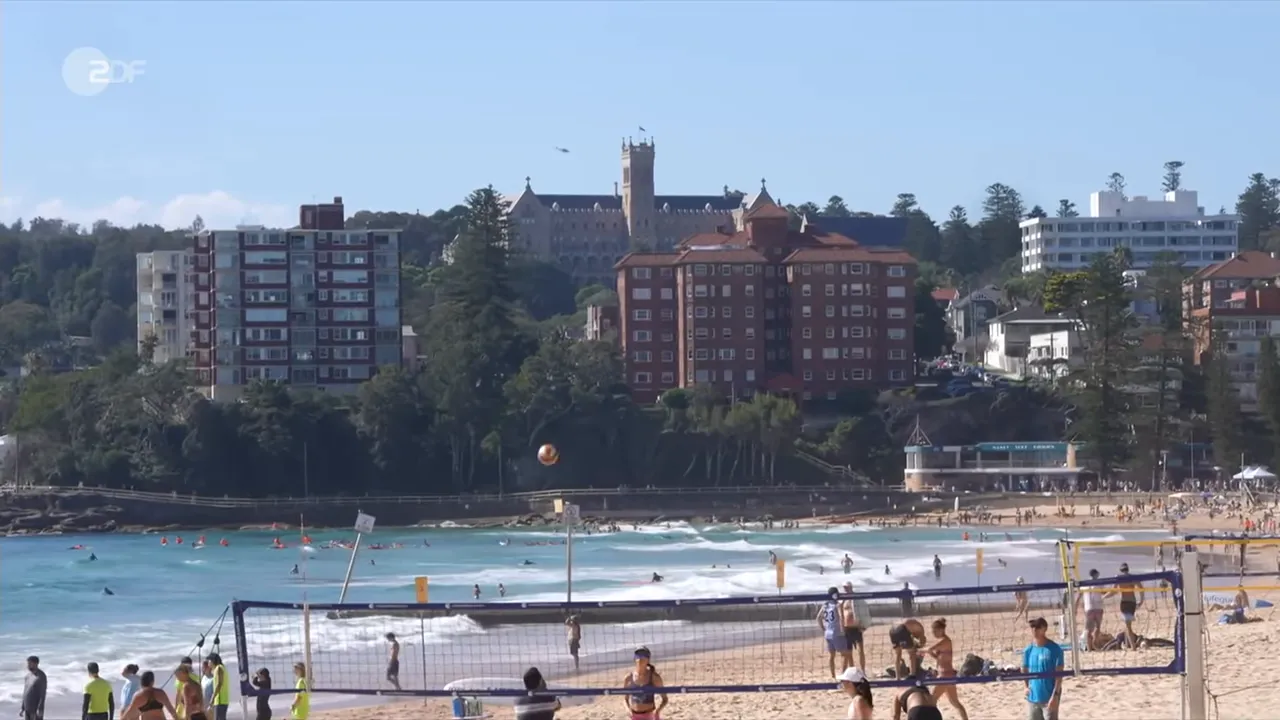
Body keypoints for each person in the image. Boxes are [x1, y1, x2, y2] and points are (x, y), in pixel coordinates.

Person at [926, 619, 969, 720]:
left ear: (941, 630)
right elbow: (937, 657)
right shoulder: (944, 642)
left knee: (931, 701)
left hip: (944, 676)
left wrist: (922, 651)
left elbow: (930, 649)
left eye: (935, 631)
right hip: (948, 675)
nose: (933, 634)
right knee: (955, 702)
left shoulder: (945, 641)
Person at [1022, 617, 1064, 720]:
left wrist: (1055, 695)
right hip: (1033, 698)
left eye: (1037, 627)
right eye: (1032, 627)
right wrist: (1026, 686)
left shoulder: (1055, 649)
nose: (1034, 630)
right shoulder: (1028, 650)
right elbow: (1024, 669)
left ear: (1044, 629)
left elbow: (1059, 675)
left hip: (1049, 698)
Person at [621, 646, 666, 720]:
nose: (640, 658)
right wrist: (627, 709)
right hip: (634, 716)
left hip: (650, 715)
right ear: (635, 659)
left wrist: (657, 711)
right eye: (638, 655)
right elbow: (625, 699)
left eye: (643, 655)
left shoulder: (654, 677)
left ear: (648, 660)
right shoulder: (628, 678)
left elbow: (665, 699)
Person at [818, 586, 853, 677]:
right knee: (845, 654)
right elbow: (841, 617)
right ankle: (843, 674)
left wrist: (823, 629)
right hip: (836, 632)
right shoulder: (837, 605)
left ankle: (833, 675)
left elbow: (818, 618)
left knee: (832, 656)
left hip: (828, 633)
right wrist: (843, 630)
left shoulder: (825, 605)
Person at [1106, 563, 1144, 648]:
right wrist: (1141, 601)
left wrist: (1103, 597)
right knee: (1127, 625)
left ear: (1121, 570)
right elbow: (1141, 589)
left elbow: (1113, 591)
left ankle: (1133, 646)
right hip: (1132, 602)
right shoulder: (1133, 577)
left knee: (1128, 626)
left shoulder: (1119, 577)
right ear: (1128, 569)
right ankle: (1128, 644)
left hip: (1125, 602)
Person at [1074, 568, 1104, 650]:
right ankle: (1094, 644)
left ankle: (1090, 648)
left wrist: (1075, 608)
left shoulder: (1084, 584)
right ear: (1096, 574)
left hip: (1089, 608)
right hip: (1098, 607)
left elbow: (1078, 597)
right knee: (1097, 627)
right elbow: (1104, 592)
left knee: (1088, 630)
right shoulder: (1099, 583)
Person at [839, 581, 867, 672]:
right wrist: (841, 625)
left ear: (851, 587)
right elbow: (841, 613)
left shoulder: (856, 598)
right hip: (847, 628)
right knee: (849, 652)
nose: (845, 589)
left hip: (856, 627)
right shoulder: (843, 599)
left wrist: (863, 624)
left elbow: (863, 611)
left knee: (860, 650)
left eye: (847, 587)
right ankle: (852, 670)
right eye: (844, 588)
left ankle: (863, 670)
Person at [22, 656, 47, 720]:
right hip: (27, 709)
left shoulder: (41, 676)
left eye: (30, 663)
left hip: (35, 710)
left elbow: (42, 694)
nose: (28, 665)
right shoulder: (27, 676)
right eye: (27, 663)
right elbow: (25, 692)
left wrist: (40, 709)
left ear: (36, 664)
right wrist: (22, 708)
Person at [208, 653, 231, 720]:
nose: (208, 662)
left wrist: (212, 698)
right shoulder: (221, 668)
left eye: (209, 660)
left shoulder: (219, 668)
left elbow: (219, 684)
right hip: (223, 700)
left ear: (213, 661)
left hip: (220, 700)